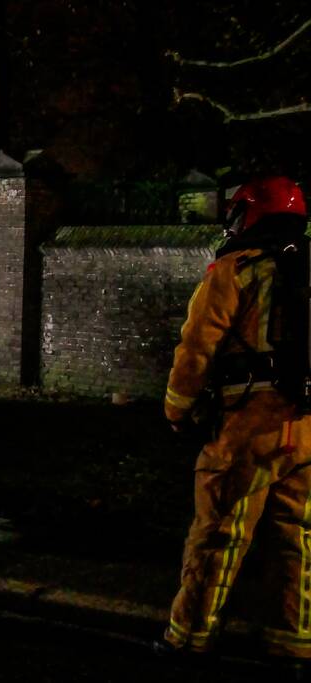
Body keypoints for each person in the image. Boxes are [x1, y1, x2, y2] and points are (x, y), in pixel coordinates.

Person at [158, 176, 311, 661]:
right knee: (299, 540)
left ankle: (188, 640)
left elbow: (196, 351)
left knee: (219, 534)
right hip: (308, 429)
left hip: (249, 429)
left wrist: (177, 410)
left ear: (250, 216)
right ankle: (294, 645)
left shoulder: (234, 271)